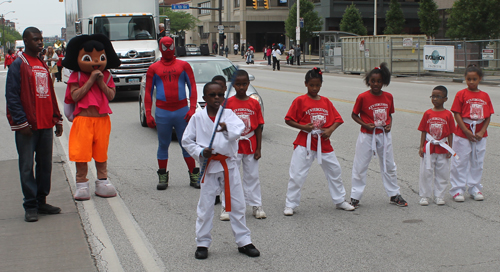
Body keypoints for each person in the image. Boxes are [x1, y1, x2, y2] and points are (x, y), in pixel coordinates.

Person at [182, 82, 260, 260]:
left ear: (224, 97)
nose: (216, 98)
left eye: (219, 95)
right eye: (212, 95)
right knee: (206, 206)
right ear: (204, 98)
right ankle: (202, 242)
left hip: (228, 165)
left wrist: (227, 128)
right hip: (209, 166)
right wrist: (201, 152)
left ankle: (244, 241)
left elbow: (239, 129)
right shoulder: (197, 117)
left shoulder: (229, 115)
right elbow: (187, 141)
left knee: (237, 203)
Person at [6, 27, 63, 222]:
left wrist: (57, 118)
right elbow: (12, 96)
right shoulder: (18, 64)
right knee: (26, 165)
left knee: (45, 165)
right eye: (35, 39)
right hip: (27, 126)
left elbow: (50, 94)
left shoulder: (41, 63)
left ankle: (41, 201)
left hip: (46, 123)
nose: (40, 42)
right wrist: (21, 122)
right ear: (25, 41)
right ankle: (30, 205)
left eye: (41, 39)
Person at [283, 68, 354, 216]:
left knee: (335, 171)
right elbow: (288, 119)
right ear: (306, 84)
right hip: (305, 142)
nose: (314, 88)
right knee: (297, 174)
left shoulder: (325, 101)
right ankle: (290, 204)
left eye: (317, 85)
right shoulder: (300, 101)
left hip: (324, 142)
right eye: (311, 85)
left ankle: (340, 200)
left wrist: (330, 130)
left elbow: (338, 119)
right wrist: (303, 127)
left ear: (321, 84)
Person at [62, 34, 122, 201]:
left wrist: (101, 82)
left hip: (102, 119)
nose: (96, 62)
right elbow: (75, 96)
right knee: (81, 152)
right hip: (83, 119)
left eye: (100, 58)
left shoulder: (107, 75)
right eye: (88, 58)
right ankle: (82, 183)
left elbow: (110, 96)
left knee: (101, 151)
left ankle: (102, 181)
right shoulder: (77, 76)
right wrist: (91, 81)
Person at [144, 37, 199, 190]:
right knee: (163, 144)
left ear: (174, 47)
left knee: (186, 144)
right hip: (163, 111)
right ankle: (163, 176)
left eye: (170, 46)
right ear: (160, 48)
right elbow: (148, 93)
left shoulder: (184, 65)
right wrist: (148, 113)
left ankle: (194, 174)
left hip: (181, 110)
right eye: (165, 47)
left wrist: (192, 108)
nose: (168, 49)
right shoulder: (153, 68)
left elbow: (192, 87)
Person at [350, 63, 408, 208]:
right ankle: (355, 196)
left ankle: (394, 194)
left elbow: (389, 115)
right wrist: (364, 124)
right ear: (368, 81)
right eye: (373, 81)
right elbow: (354, 115)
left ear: (384, 82)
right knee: (360, 165)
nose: (376, 84)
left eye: (379, 81)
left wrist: (389, 125)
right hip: (367, 135)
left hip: (383, 135)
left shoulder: (388, 97)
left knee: (389, 165)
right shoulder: (362, 97)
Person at [221, 69, 266, 220]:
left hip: (250, 144)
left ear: (249, 84)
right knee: (231, 176)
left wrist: (258, 148)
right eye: (238, 84)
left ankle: (256, 205)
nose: (241, 87)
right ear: (233, 84)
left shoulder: (254, 103)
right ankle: (226, 207)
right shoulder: (227, 103)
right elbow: (222, 127)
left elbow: (258, 126)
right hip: (233, 145)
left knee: (252, 176)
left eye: (244, 84)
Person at [449, 64, 493, 202]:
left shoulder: (484, 95)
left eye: (474, 79)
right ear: (465, 79)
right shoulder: (461, 94)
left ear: (480, 79)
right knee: (460, 160)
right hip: (464, 131)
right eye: (469, 79)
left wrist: (482, 131)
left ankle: (474, 187)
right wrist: (466, 131)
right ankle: (457, 189)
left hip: (479, 132)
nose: (471, 82)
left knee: (477, 160)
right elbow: (457, 113)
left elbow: (488, 116)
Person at [417, 86, 456, 206]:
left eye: (438, 97)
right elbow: (423, 130)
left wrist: (450, 147)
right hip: (429, 147)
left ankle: (439, 195)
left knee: (442, 173)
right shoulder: (428, 113)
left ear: (445, 99)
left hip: (442, 147)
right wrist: (421, 146)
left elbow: (450, 133)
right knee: (426, 172)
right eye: (433, 96)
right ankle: (425, 196)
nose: (435, 99)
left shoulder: (448, 114)